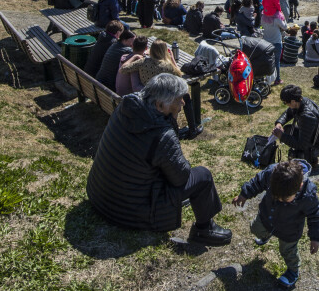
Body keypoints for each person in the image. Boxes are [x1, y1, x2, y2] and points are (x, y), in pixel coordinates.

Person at [86, 74, 231, 245]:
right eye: (178, 100)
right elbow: (181, 177)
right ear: (160, 105)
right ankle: (204, 230)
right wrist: (172, 125)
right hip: (130, 212)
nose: (183, 104)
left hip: (101, 196)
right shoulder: (162, 134)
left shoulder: (128, 106)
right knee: (203, 176)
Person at [232, 159, 319, 289]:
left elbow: (316, 216)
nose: (280, 199)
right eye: (276, 195)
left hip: (289, 230)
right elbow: (257, 182)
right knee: (255, 228)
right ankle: (266, 234)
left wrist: (315, 238)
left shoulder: (308, 195)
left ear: (300, 186)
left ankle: (293, 271)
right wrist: (244, 194)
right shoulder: (272, 173)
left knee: (287, 251)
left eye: (285, 198)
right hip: (267, 217)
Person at [273, 85, 319, 167]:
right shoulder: (300, 101)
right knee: (288, 129)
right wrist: (279, 123)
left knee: (298, 151)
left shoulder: (307, 116)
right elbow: (289, 112)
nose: (285, 104)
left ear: (293, 101)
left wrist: (281, 136)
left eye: (285, 103)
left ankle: (310, 160)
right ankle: (308, 157)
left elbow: (301, 144)